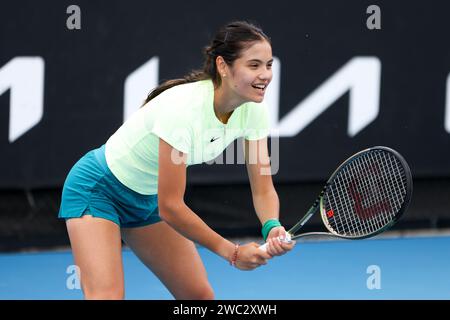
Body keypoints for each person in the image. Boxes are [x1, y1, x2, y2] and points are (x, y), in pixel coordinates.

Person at [58, 20, 295, 300]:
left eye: (269, 64)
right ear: (223, 66)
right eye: (254, 65)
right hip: (99, 190)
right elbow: (170, 206)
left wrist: (271, 225)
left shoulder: (255, 111)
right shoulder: (183, 110)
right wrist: (232, 253)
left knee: (199, 297)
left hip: (146, 198)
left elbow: (263, 188)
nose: (265, 74)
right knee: (107, 297)